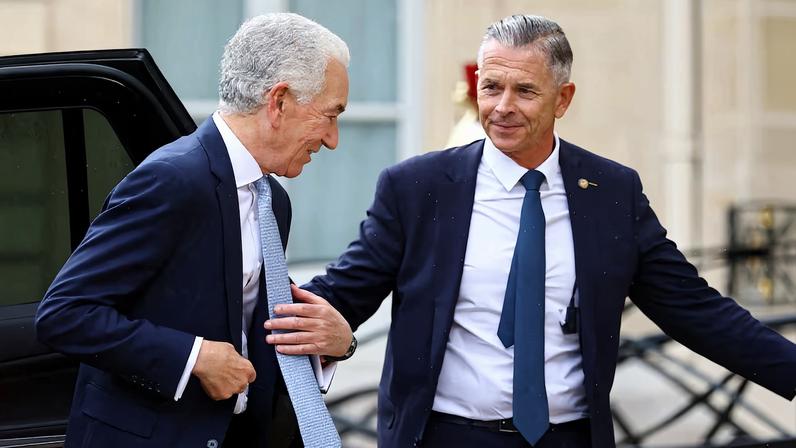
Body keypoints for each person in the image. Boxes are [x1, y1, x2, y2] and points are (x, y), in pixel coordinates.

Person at [269, 14, 796, 448]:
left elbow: (694, 307)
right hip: (445, 437)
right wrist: (209, 344)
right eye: (491, 87)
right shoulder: (417, 188)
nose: (502, 107)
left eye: (525, 91)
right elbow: (340, 294)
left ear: (562, 99)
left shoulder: (612, 192)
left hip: (569, 438)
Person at [35, 13, 355, 448]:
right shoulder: (173, 179)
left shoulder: (272, 201)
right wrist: (193, 358)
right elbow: (65, 313)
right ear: (279, 102)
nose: (333, 139)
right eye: (330, 115)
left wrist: (334, 343)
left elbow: (249, 324)